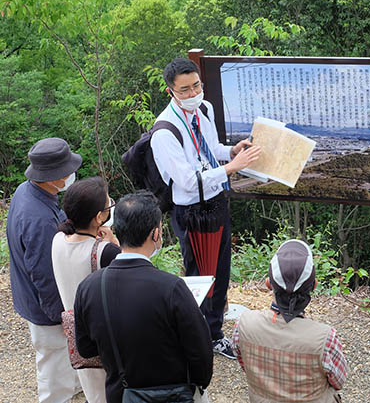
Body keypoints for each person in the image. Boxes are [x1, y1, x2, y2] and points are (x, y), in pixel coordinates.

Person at [151, 57, 260, 359]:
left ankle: (211, 332)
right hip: (192, 211)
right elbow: (186, 182)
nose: (192, 93)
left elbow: (210, 150)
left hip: (216, 201)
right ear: (170, 91)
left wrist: (231, 152)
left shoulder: (205, 109)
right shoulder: (165, 131)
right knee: (201, 276)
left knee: (221, 271)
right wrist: (231, 169)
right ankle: (199, 337)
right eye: (184, 90)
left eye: (196, 85)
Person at [73, 191, 213, 403]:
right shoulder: (172, 287)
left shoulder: (89, 287)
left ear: (116, 230)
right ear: (155, 234)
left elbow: (86, 348)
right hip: (173, 394)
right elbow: (201, 355)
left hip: (121, 394)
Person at [6, 137, 82, 403]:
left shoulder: (26, 191)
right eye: (67, 171)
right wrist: (59, 317)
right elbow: (44, 274)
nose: (71, 174)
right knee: (53, 366)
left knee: (62, 359)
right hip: (44, 306)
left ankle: (73, 386)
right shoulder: (37, 218)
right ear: (53, 178)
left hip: (29, 295)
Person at [231, 239, 348, 402]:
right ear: (313, 285)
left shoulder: (243, 324)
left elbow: (245, 366)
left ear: (268, 283)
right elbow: (338, 381)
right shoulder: (325, 338)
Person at [51, 177, 121, 403]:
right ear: (99, 217)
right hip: (105, 338)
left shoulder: (58, 240)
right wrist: (114, 244)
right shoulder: (105, 252)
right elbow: (127, 277)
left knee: (93, 392)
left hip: (76, 335)